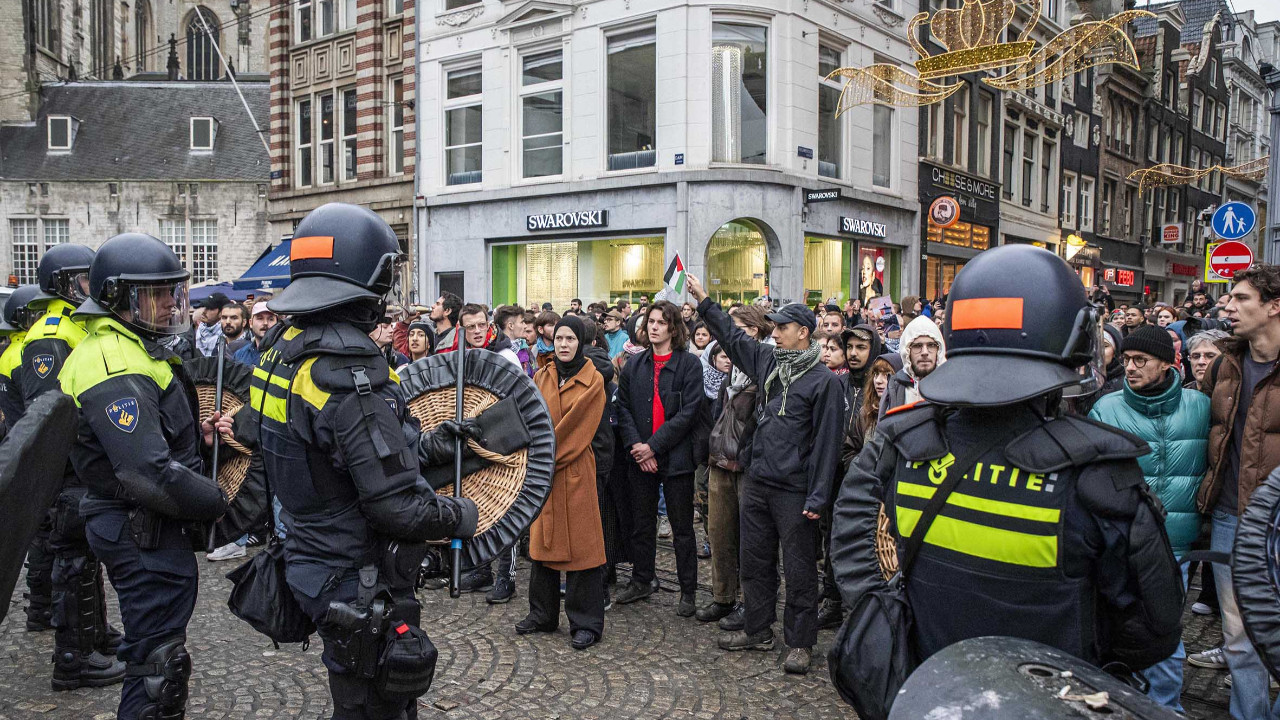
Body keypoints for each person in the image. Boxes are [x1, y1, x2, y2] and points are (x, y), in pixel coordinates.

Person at [831, 245, 1183, 706]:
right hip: (1049, 700)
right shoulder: (1096, 473)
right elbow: (1155, 627)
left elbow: (851, 527)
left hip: (927, 690)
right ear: (1070, 340)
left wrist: (882, 612)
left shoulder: (903, 440)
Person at [240, 203, 479, 720]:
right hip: (357, 576)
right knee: (374, 706)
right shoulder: (347, 372)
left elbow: (321, 452)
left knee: (350, 697)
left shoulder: (283, 351)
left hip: (310, 557)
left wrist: (427, 446)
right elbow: (398, 508)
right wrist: (462, 515)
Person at [59, 233, 230, 719]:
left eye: (172, 292)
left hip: (140, 524)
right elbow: (145, 471)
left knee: (158, 652)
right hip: (139, 528)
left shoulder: (130, 346)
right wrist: (215, 502)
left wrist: (193, 436)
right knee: (158, 665)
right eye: (154, 295)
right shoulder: (115, 360)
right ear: (119, 298)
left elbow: (145, 437)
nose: (169, 304)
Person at [690, 278, 848, 676]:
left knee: (798, 572)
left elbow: (828, 444)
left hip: (795, 492)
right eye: (773, 328)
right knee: (756, 563)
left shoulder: (824, 382)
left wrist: (817, 498)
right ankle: (758, 630)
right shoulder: (769, 361)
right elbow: (732, 338)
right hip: (758, 480)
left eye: (781, 328)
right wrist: (704, 301)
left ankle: (800, 642)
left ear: (803, 333)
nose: (774, 333)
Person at [13, 244, 129, 691]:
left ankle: (95, 637)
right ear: (61, 283)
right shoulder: (51, 333)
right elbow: (48, 411)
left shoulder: (74, 324)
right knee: (72, 561)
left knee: (86, 558)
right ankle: (73, 657)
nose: (90, 285)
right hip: (65, 470)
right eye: (81, 278)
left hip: (81, 466)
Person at [1088, 326, 1207, 711]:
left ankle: (1168, 708)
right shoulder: (1107, 408)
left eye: (1142, 361)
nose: (1132, 368)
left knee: (1166, 630)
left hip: (1176, 540)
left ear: (1167, 364)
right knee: (1120, 626)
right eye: (1127, 360)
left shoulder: (1200, 407)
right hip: (1123, 539)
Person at [1194, 264, 1280, 720]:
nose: (1228, 306)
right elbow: (1198, 420)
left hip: (1278, 520)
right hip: (1230, 516)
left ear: (1274, 306)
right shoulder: (1227, 362)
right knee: (1238, 633)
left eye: (1242, 298)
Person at [518, 316, 609, 650]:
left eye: (570, 339)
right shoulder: (541, 375)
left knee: (582, 551)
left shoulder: (593, 380)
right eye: (559, 339)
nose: (564, 344)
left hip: (573, 470)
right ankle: (542, 614)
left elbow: (577, 430)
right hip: (544, 472)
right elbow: (527, 416)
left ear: (581, 342)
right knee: (542, 546)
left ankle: (586, 622)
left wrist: (542, 457)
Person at [613, 301, 705, 617]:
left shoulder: (689, 365)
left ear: (673, 328)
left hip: (675, 458)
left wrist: (654, 446)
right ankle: (641, 579)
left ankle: (689, 590)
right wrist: (638, 447)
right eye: (650, 321)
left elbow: (689, 413)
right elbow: (622, 409)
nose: (653, 327)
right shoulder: (634, 365)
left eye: (661, 322)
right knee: (641, 523)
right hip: (640, 459)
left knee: (682, 528)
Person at [697, 305, 773, 629]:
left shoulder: (763, 364)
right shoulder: (731, 370)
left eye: (737, 327)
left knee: (749, 538)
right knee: (719, 532)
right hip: (721, 459)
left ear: (753, 331)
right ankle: (723, 595)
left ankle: (747, 602)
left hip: (745, 462)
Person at [879, 315, 947, 418]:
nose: (924, 352)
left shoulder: (950, 388)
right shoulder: (895, 387)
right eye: (917, 346)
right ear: (907, 351)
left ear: (939, 349)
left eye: (931, 345)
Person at [494, 304, 534, 376]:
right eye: (522, 322)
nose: (525, 326)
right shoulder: (501, 353)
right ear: (511, 326)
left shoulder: (523, 347)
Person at [192, 292, 231, 357]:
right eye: (205, 307)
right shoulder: (195, 333)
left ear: (221, 313)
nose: (204, 311)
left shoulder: (228, 335)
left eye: (210, 308)